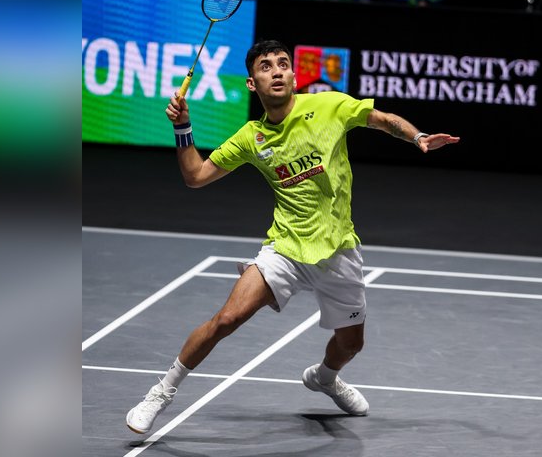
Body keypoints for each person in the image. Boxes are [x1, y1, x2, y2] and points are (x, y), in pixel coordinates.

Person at [125, 39, 460, 434]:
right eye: (266, 67)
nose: (277, 71)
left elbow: (383, 120)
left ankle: (324, 378)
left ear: (294, 75)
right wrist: (182, 127)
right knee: (227, 317)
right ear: (253, 84)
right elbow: (195, 176)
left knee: (351, 344)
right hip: (284, 249)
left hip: (338, 250)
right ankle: (160, 393)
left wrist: (417, 136)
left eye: (283, 64)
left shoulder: (329, 107)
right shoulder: (251, 137)